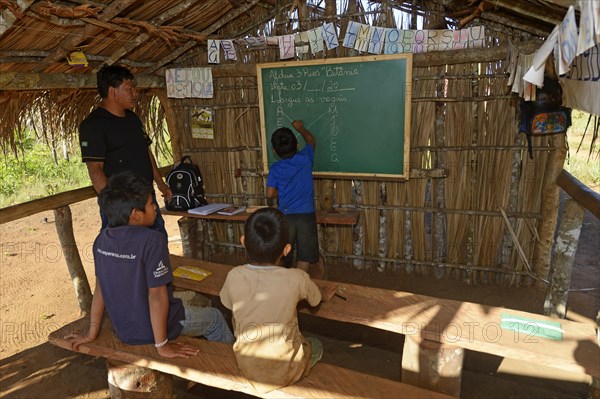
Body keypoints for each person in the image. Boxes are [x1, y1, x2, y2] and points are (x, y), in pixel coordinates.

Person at [66, 172, 234, 358]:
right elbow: (157, 296)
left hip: (124, 329)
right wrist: (162, 345)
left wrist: (92, 332)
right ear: (136, 215)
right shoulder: (151, 240)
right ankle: (235, 365)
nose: (155, 208)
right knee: (215, 318)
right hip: (154, 331)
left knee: (182, 302)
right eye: (151, 204)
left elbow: (100, 289)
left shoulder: (102, 240)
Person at [220, 207, 336, 392]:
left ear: (243, 242)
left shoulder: (234, 276)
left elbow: (227, 303)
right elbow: (315, 300)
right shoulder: (297, 278)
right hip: (287, 370)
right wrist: (325, 295)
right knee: (315, 344)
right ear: (287, 249)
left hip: (248, 366)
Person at [79, 64, 171, 239]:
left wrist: (160, 183)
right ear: (113, 92)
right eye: (130, 89)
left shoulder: (133, 119)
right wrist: (115, 206)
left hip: (146, 199)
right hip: (123, 207)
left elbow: (146, 152)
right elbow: (95, 169)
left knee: (156, 244)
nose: (135, 93)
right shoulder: (93, 126)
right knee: (127, 253)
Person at [266, 120, 324, 278]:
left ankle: (282, 284)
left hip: (285, 216)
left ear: (274, 150)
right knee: (305, 256)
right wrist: (301, 128)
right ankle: (297, 286)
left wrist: (282, 191)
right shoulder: (305, 159)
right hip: (306, 215)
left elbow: (270, 194)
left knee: (283, 253)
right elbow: (311, 140)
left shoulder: (275, 168)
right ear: (297, 144)